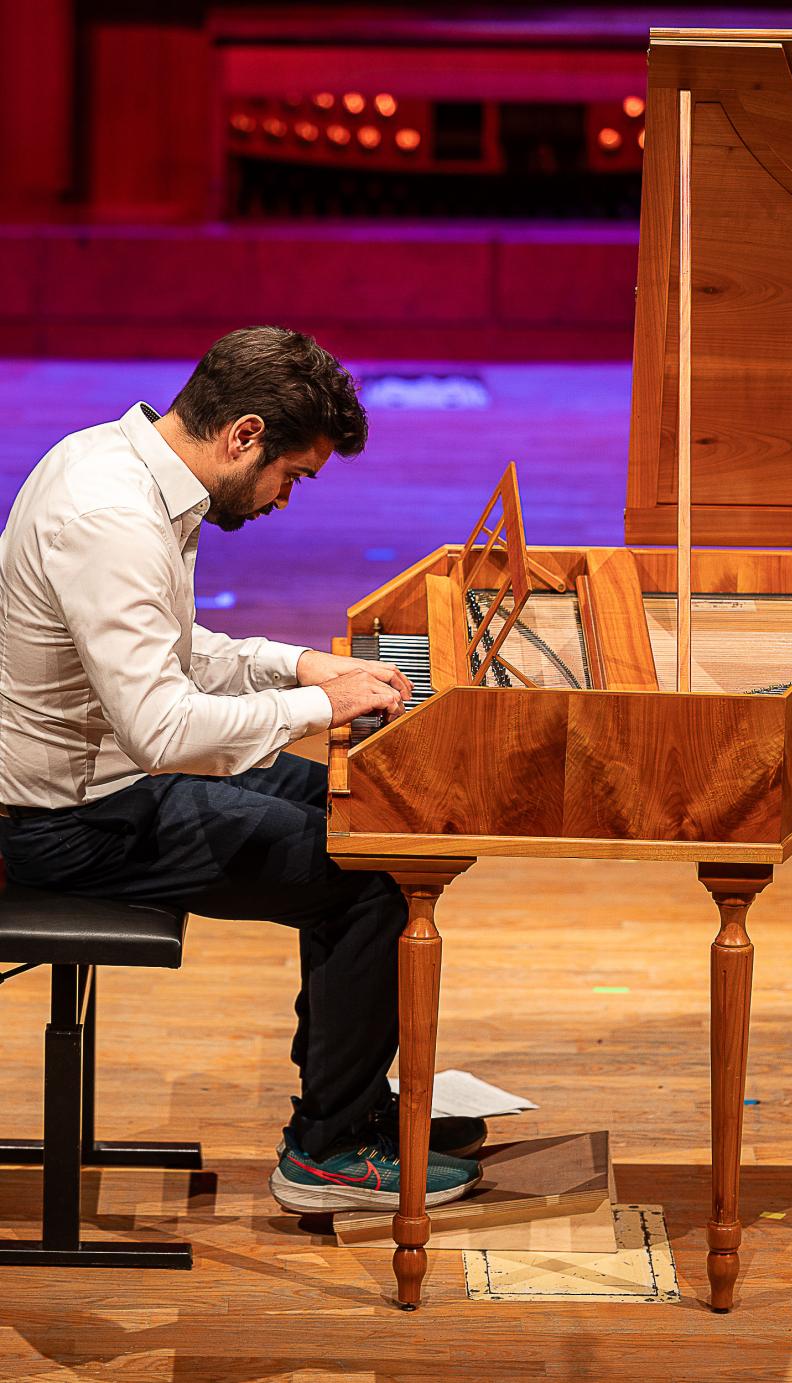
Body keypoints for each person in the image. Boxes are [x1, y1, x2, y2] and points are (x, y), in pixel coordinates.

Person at [0, 325, 484, 1213]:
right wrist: (320, 709)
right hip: (66, 825)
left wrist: (300, 667)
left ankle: (347, 1104)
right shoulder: (111, 516)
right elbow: (162, 728)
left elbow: (169, 651)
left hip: (113, 784)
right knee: (371, 872)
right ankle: (329, 1151)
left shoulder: (120, 462)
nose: (284, 500)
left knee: (373, 823)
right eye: (290, 475)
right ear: (245, 435)